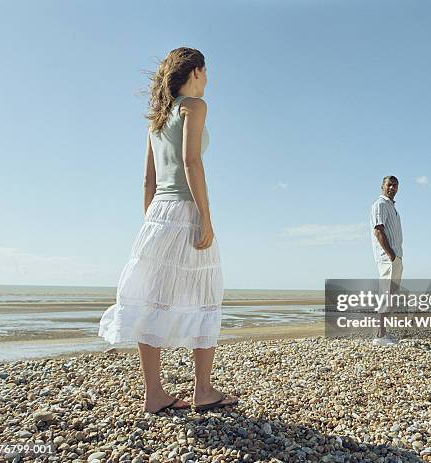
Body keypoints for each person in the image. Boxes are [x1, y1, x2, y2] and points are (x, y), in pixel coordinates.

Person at [98, 47, 238, 413]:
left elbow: (148, 180)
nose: (208, 80)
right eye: (206, 72)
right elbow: (192, 161)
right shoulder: (194, 107)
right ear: (195, 71)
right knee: (205, 295)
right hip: (185, 208)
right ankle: (203, 391)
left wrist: (152, 223)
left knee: (151, 299)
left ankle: (154, 394)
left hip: (157, 214)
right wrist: (205, 217)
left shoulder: (157, 119)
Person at [369, 175, 403, 346]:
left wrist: (397, 257)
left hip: (395, 257)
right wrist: (391, 255)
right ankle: (380, 336)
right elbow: (378, 231)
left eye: (395, 185)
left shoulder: (392, 207)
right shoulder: (380, 204)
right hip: (387, 258)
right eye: (389, 185)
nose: (392, 188)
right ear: (382, 186)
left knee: (392, 297)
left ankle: (383, 333)